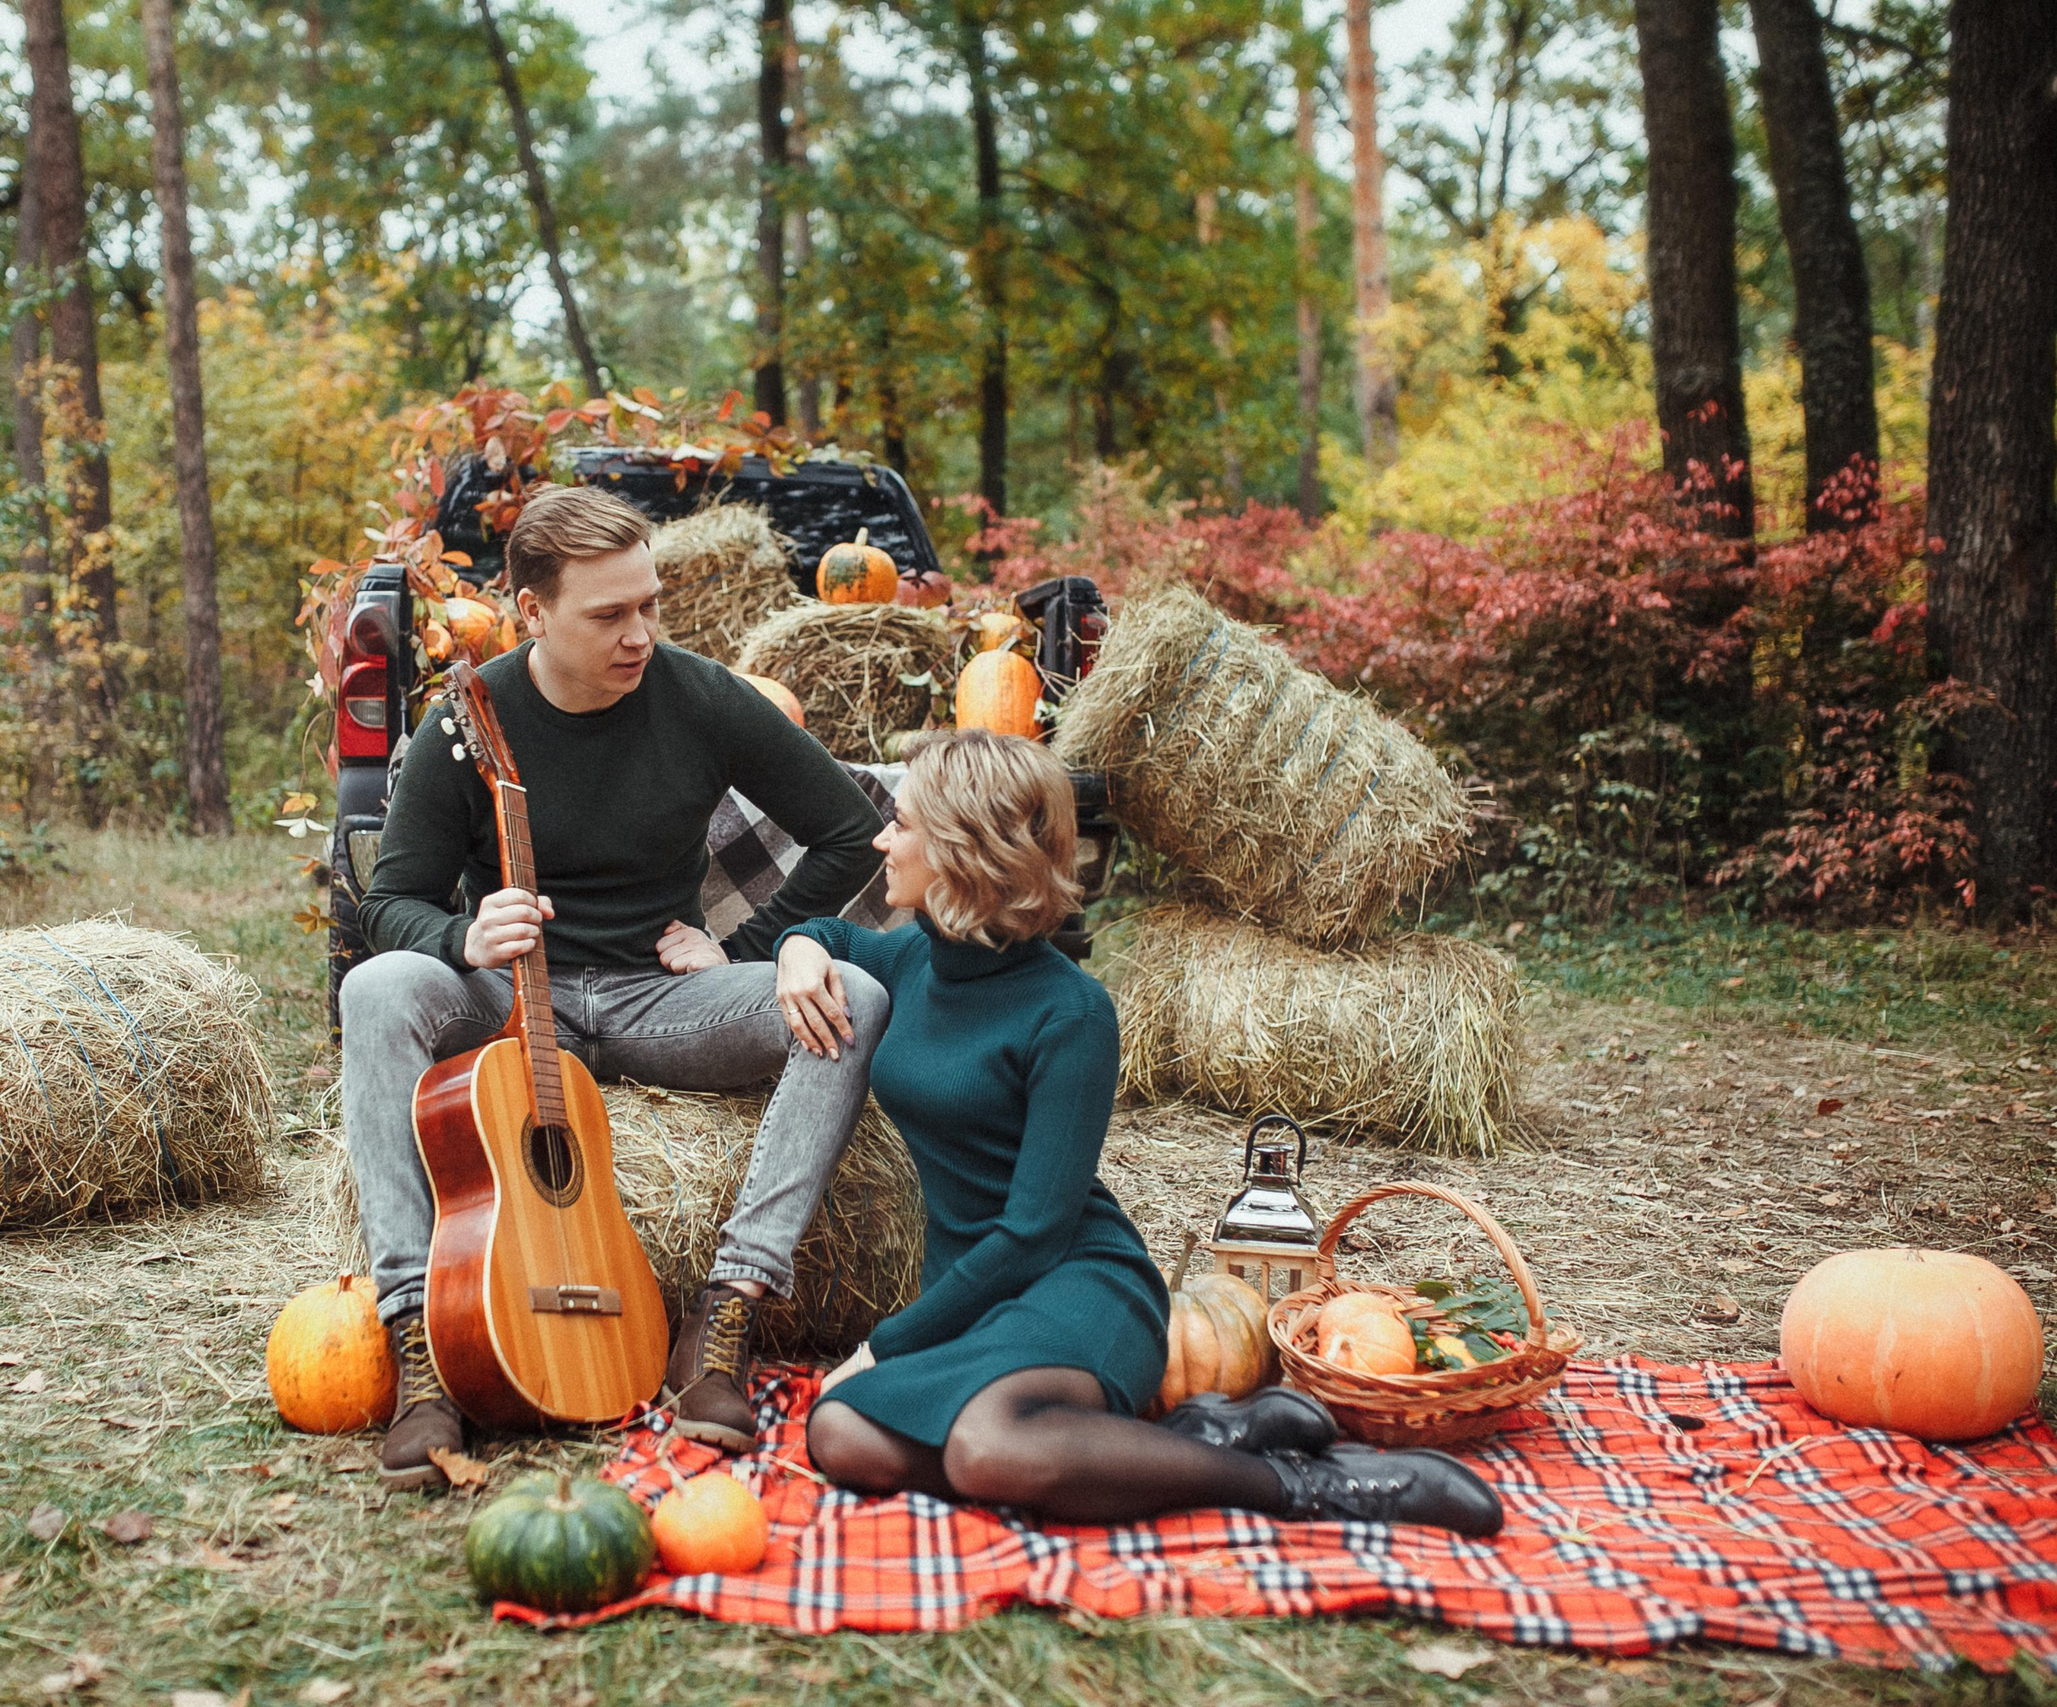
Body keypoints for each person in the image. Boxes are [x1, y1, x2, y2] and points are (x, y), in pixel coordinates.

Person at [787, 731, 1503, 1535]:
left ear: (963, 848)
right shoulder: (914, 959)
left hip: (1076, 1281)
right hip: (972, 1294)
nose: (882, 840)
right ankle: (1184, 1439)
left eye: (902, 823)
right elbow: (832, 937)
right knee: (840, 1434)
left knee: (986, 1449)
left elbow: (1032, 1232)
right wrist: (798, 949)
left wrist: (886, 1344)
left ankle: (1305, 1484)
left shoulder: (1070, 1011)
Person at [342, 484, 892, 1491]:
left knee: (851, 996)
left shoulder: (699, 697)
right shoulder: (466, 719)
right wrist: (464, 936)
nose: (639, 634)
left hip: (658, 1001)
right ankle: (421, 1343)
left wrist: (750, 944)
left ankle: (723, 1316)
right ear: (532, 611)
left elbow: (851, 830)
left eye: (649, 605)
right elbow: (388, 905)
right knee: (379, 990)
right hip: (513, 1007)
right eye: (609, 614)